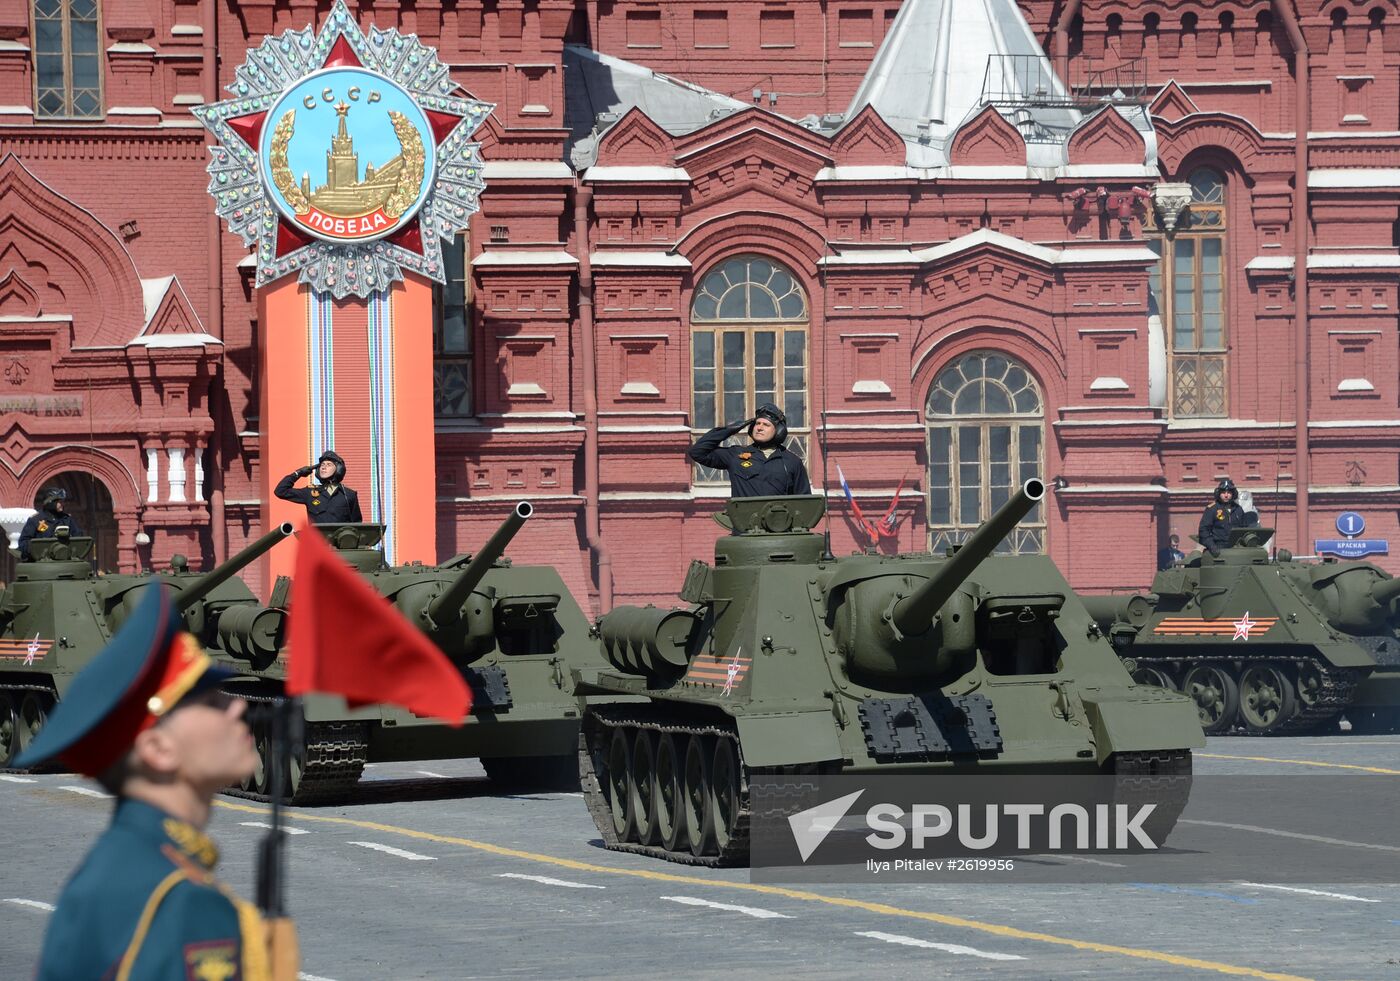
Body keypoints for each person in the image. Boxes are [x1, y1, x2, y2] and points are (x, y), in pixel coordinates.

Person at [14, 583, 295, 980]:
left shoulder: (112, 871)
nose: (236, 707)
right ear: (158, 750)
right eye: (211, 701)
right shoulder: (185, 902)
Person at [687, 402, 811, 498]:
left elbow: (805, 502)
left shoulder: (791, 461)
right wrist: (729, 430)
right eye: (757, 423)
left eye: (766, 425)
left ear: (779, 431)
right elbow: (697, 452)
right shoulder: (736, 455)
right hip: (745, 523)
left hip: (779, 523)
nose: (759, 428)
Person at [274, 450, 362, 524]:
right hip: (317, 539)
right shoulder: (310, 492)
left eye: (329, 465)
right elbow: (281, 491)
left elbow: (357, 525)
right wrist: (298, 473)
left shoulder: (349, 495)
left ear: (338, 469)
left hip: (341, 539)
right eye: (322, 465)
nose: (323, 467)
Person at [17, 487, 85, 560]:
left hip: (64, 560)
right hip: (42, 561)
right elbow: (23, 543)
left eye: (63, 501)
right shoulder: (35, 520)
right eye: (59, 502)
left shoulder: (67, 519)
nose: (63, 504)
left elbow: (78, 538)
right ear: (50, 502)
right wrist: (36, 548)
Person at [1197, 477, 1258, 557]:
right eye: (1223, 492)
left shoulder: (1238, 509)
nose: (1226, 495)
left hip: (1237, 549)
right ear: (1218, 493)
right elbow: (1203, 530)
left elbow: (1244, 528)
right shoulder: (1212, 509)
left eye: (1229, 492)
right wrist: (1211, 546)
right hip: (1218, 549)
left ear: (1233, 494)